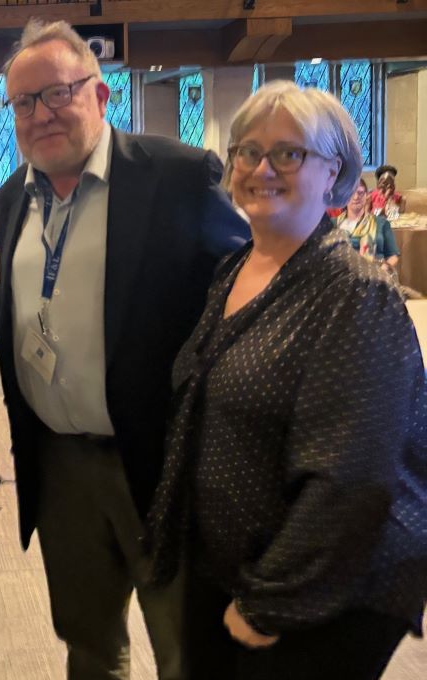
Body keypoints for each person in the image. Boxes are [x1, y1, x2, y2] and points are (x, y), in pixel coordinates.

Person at [0, 19, 248, 680]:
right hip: (59, 467)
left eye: (57, 93)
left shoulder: (176, 177)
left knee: (186, 647)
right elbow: (20, 308)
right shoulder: (10, 200)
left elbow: (245, 288)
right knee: (89, 644)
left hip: (159, 462)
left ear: (100, 96)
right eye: (22, 102)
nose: (39, 114)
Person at [147, 81, 427, 679]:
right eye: (248, 151)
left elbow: (352, 480)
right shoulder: (234, 268)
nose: (261, 168)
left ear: (335, 172)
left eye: (289, 153)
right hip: (230, 568)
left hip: (314, 599)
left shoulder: (354, 293)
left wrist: (269, 604)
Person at [337, 178, 399, 269]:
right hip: (342, 275)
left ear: (367, 196)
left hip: (377, 274)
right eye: (351, 193)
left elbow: (393, 256)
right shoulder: (333, 224)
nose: (356, 197)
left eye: (360, 193)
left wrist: (384, 268)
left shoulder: (382, 223)